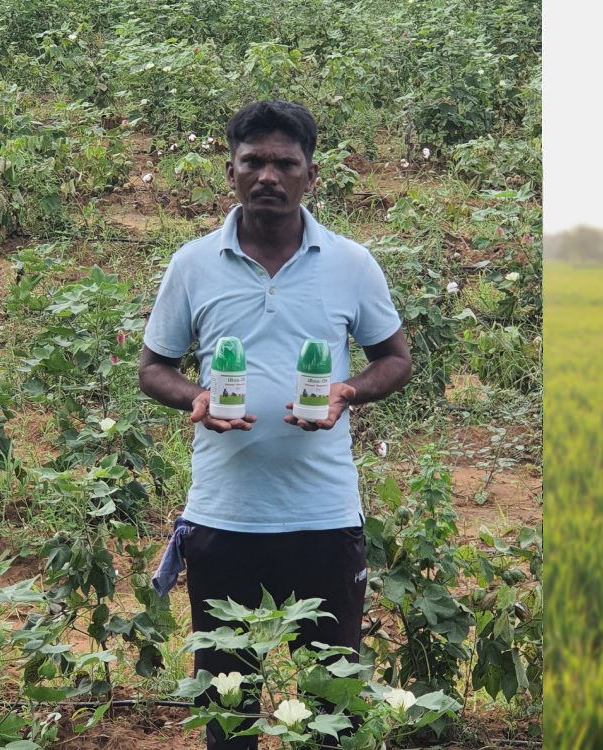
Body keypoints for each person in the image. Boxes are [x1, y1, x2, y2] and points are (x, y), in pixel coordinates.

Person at [139, 100, 411, 749]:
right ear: (229, 171)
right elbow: (153, 368)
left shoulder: (351, 264)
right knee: (227, 709)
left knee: (330, 711)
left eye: (285, 163)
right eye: (253, 161)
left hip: (324, 520)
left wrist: (348, 390)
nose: (268, 175)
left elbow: (396, 359)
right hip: (223, 520)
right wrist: (196, 398)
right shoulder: (192, 264)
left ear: (310, 176)